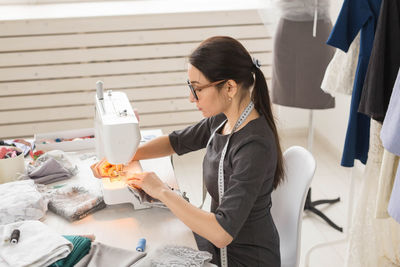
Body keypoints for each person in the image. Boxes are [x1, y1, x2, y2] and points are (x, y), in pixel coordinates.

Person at [92, 36, 284, 266]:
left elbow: (222, 233)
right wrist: (122, 156)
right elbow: (175, 142)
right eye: (190, 87)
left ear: (230, 87)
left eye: (197, 89)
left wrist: (162, 191)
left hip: (244, 258)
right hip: (216, 242)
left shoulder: (254, 147)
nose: (191, 98)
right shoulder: (223, 120)